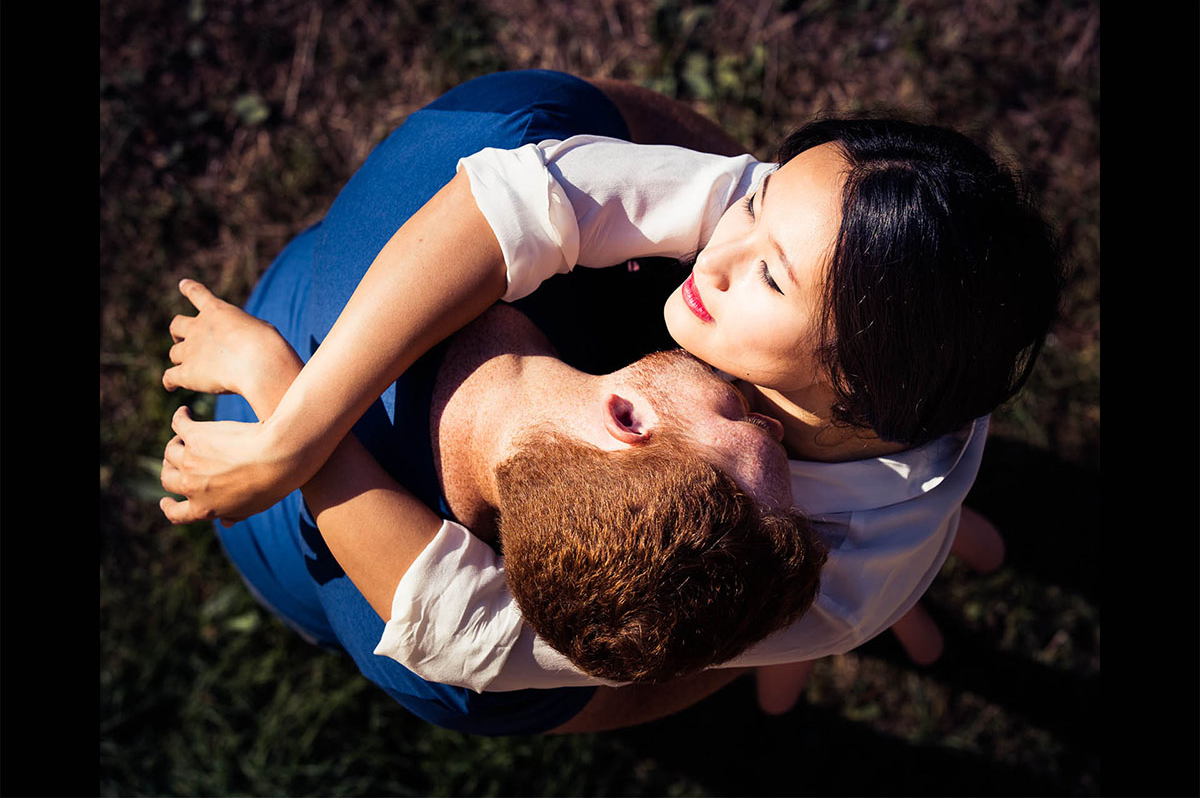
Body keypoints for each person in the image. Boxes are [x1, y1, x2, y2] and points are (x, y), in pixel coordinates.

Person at [160, 70, 1062, 716]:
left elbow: (486, 635)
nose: (719, 239)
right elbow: (528, 198)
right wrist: (296, 434)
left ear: (857, 396)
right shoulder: (821, 259)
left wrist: (857, 607)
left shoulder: (843, 579)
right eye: (759, 196)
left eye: (773, 280)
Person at [162, 271, 825, 733]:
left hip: (274, 539)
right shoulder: (574, 652)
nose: (775, 425)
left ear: (626, 419)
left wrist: (274, 385)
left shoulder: (467, 659)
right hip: (267, 539)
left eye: (742, 420)